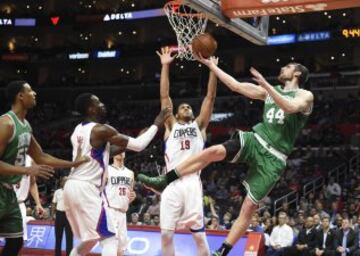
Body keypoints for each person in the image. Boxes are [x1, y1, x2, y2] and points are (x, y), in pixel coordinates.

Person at [139, 57, 314, 256]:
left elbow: (290, 107)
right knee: (213, 151)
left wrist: (267, 86)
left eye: (288, 66)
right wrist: (212, 66)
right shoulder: (269, 92)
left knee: (249, 207)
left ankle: (223, 250)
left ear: (297, 74)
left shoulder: (305, 95)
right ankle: (165, 180)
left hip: (274, 157)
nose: (283, 67)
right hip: (255, 140)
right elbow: (236, 86)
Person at [63, 93, 170, 256]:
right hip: (87, 188)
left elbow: (107, 151)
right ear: (91, 108)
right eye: (98, 102)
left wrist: (130, 143)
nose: (102, 105)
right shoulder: (101, 129)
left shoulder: (78, 129)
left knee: (90, 239)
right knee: (110, 240)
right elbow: (139, 145)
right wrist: (157, 122)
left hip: (72, 187)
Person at [0, 80, 88, 256]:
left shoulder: (25, 125)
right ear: (20, 96)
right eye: (30, 91)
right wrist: (27, 170)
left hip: (10, 195)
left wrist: (73, 164)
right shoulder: (6, 123)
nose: (34, 93)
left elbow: (41, 157)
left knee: (16, 242)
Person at [155, 47, 217, 256]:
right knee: (165, 234)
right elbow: (164, 96)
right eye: (183, 107)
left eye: (189, 107)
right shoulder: (171, 125)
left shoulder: (199, 125)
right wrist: (165, 66)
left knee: (198, 235)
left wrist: (212, 69)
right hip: (171, 182)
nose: (186, 108)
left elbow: (210, 97)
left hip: (191, 182)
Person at [103, 152, 136, 256]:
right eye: (118, 149)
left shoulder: (130, 173)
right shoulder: (106, 169)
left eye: (123, 150)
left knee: (121, 248)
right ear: (112, 153)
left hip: (122, 213)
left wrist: (132, 197)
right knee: (111, 245)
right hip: (110, 211)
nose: (120, 152)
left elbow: (129, 194)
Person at [13, 155, 44, 241]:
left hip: (19, 205)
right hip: (3, 203)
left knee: (18, 242)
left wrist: (38, 203)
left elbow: (32, 183)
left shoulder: (30, 159)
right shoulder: (4, 154)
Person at [52, 176, 73, 256]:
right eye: (63, 181)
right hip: (59, 214)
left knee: (69, 238)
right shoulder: (57, 192)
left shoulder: (73, 192)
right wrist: (53, 214)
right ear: (61, 183)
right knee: (58, 237)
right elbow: (54, 203)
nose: (65, 182)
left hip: (69, 215)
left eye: (67, 181)